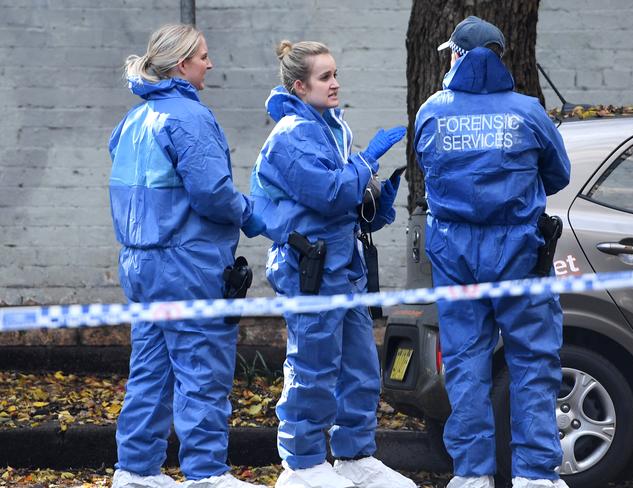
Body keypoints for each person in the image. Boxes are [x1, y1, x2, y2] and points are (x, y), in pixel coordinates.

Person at [250, 40, 416, 488]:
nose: (335, 83)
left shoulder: (329, 127)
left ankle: (354, 456)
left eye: (335, 73)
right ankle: (303, 464)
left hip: (343, 265)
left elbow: (345, 198)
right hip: (312, 268)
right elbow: (327, 193)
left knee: (359, 365)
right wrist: (366, 161)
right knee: (313, 367)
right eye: (325, 77)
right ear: (300, 86)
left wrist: (375, 201)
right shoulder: (290, 134)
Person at [413, 16, 571, 488]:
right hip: (519, 250)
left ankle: (472, 473)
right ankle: (535, 476)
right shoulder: (528, 111)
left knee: (465, 362)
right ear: (499, 57)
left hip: (454, 251)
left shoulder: (432, 111)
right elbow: (558, 173)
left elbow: (427, 168)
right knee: (533, 361)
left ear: (459, 57)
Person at [108, 24, 266, 488]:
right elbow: (213, 193)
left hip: (139, 263)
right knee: (202, 369)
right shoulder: (189, 118)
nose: (210, 64)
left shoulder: (133, 120)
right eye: (203, 57)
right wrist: (250, 215)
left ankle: (135, 471)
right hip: (187, 262)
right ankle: (205, 474)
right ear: (182, 64)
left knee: (150, 370)